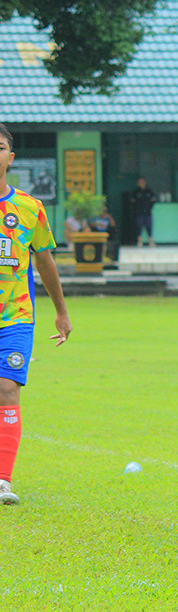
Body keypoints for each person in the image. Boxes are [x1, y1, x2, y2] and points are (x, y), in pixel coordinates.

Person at [0, 122, 72, 505]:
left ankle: (2, 480)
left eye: (0, 147)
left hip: (15, 318)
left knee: (7, 389)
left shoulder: (29, 209)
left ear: (10, 158)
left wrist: (61, 312)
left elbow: (45, 263)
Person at [130, 177, 157, 246]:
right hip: (138, 212)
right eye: (139, 182)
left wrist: (149, 206)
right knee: (139, 226)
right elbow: (132, 200)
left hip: (147, 212)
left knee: (149, 226)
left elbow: (153, 199)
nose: (141, 183)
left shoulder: (149, 191)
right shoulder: (136, 192)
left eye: (142, 182)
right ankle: (139, 241)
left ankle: (150, 241)